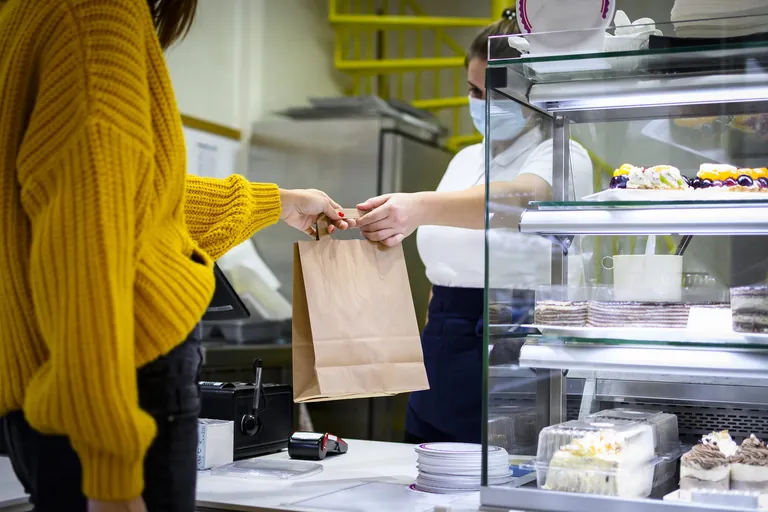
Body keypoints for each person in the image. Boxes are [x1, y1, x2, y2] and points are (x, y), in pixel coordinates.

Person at [0, 1, 348, 511]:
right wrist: (111, 471)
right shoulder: (97, 14)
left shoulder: (26, 11)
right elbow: (89, 248)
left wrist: (279, 202)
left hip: (49, 386)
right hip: (120, 387)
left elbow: (135, 197)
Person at [355, 12, 593, 445]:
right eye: (473, 91)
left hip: (517, 334)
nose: (481, 104)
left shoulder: (561, 152)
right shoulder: (464, 160)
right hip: (443, 341)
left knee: (500, 476)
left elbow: (520, 199)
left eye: (495, 94)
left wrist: (417, 207)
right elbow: (445, 265)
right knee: (425, 470)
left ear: (531, 92)